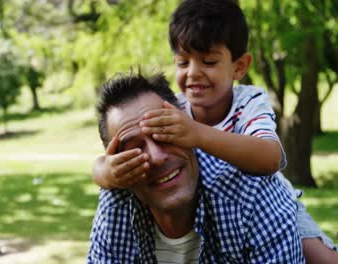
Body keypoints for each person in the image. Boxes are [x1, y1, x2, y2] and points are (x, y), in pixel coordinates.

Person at [92, 0, 337, 262]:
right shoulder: (174, 106)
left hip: (270, 201)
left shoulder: (249, 104)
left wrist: (196, 133)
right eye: (183, 63)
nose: (194, 73)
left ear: (239, 67)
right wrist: (109, 174)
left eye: (208, 61)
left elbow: (270, 158)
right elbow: (99, 166)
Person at [88, 71, 304, 263]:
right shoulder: (117, 205)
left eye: (164, 133)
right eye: (134, 150)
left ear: (185, 123)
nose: (156, 157)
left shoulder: (251, 195)